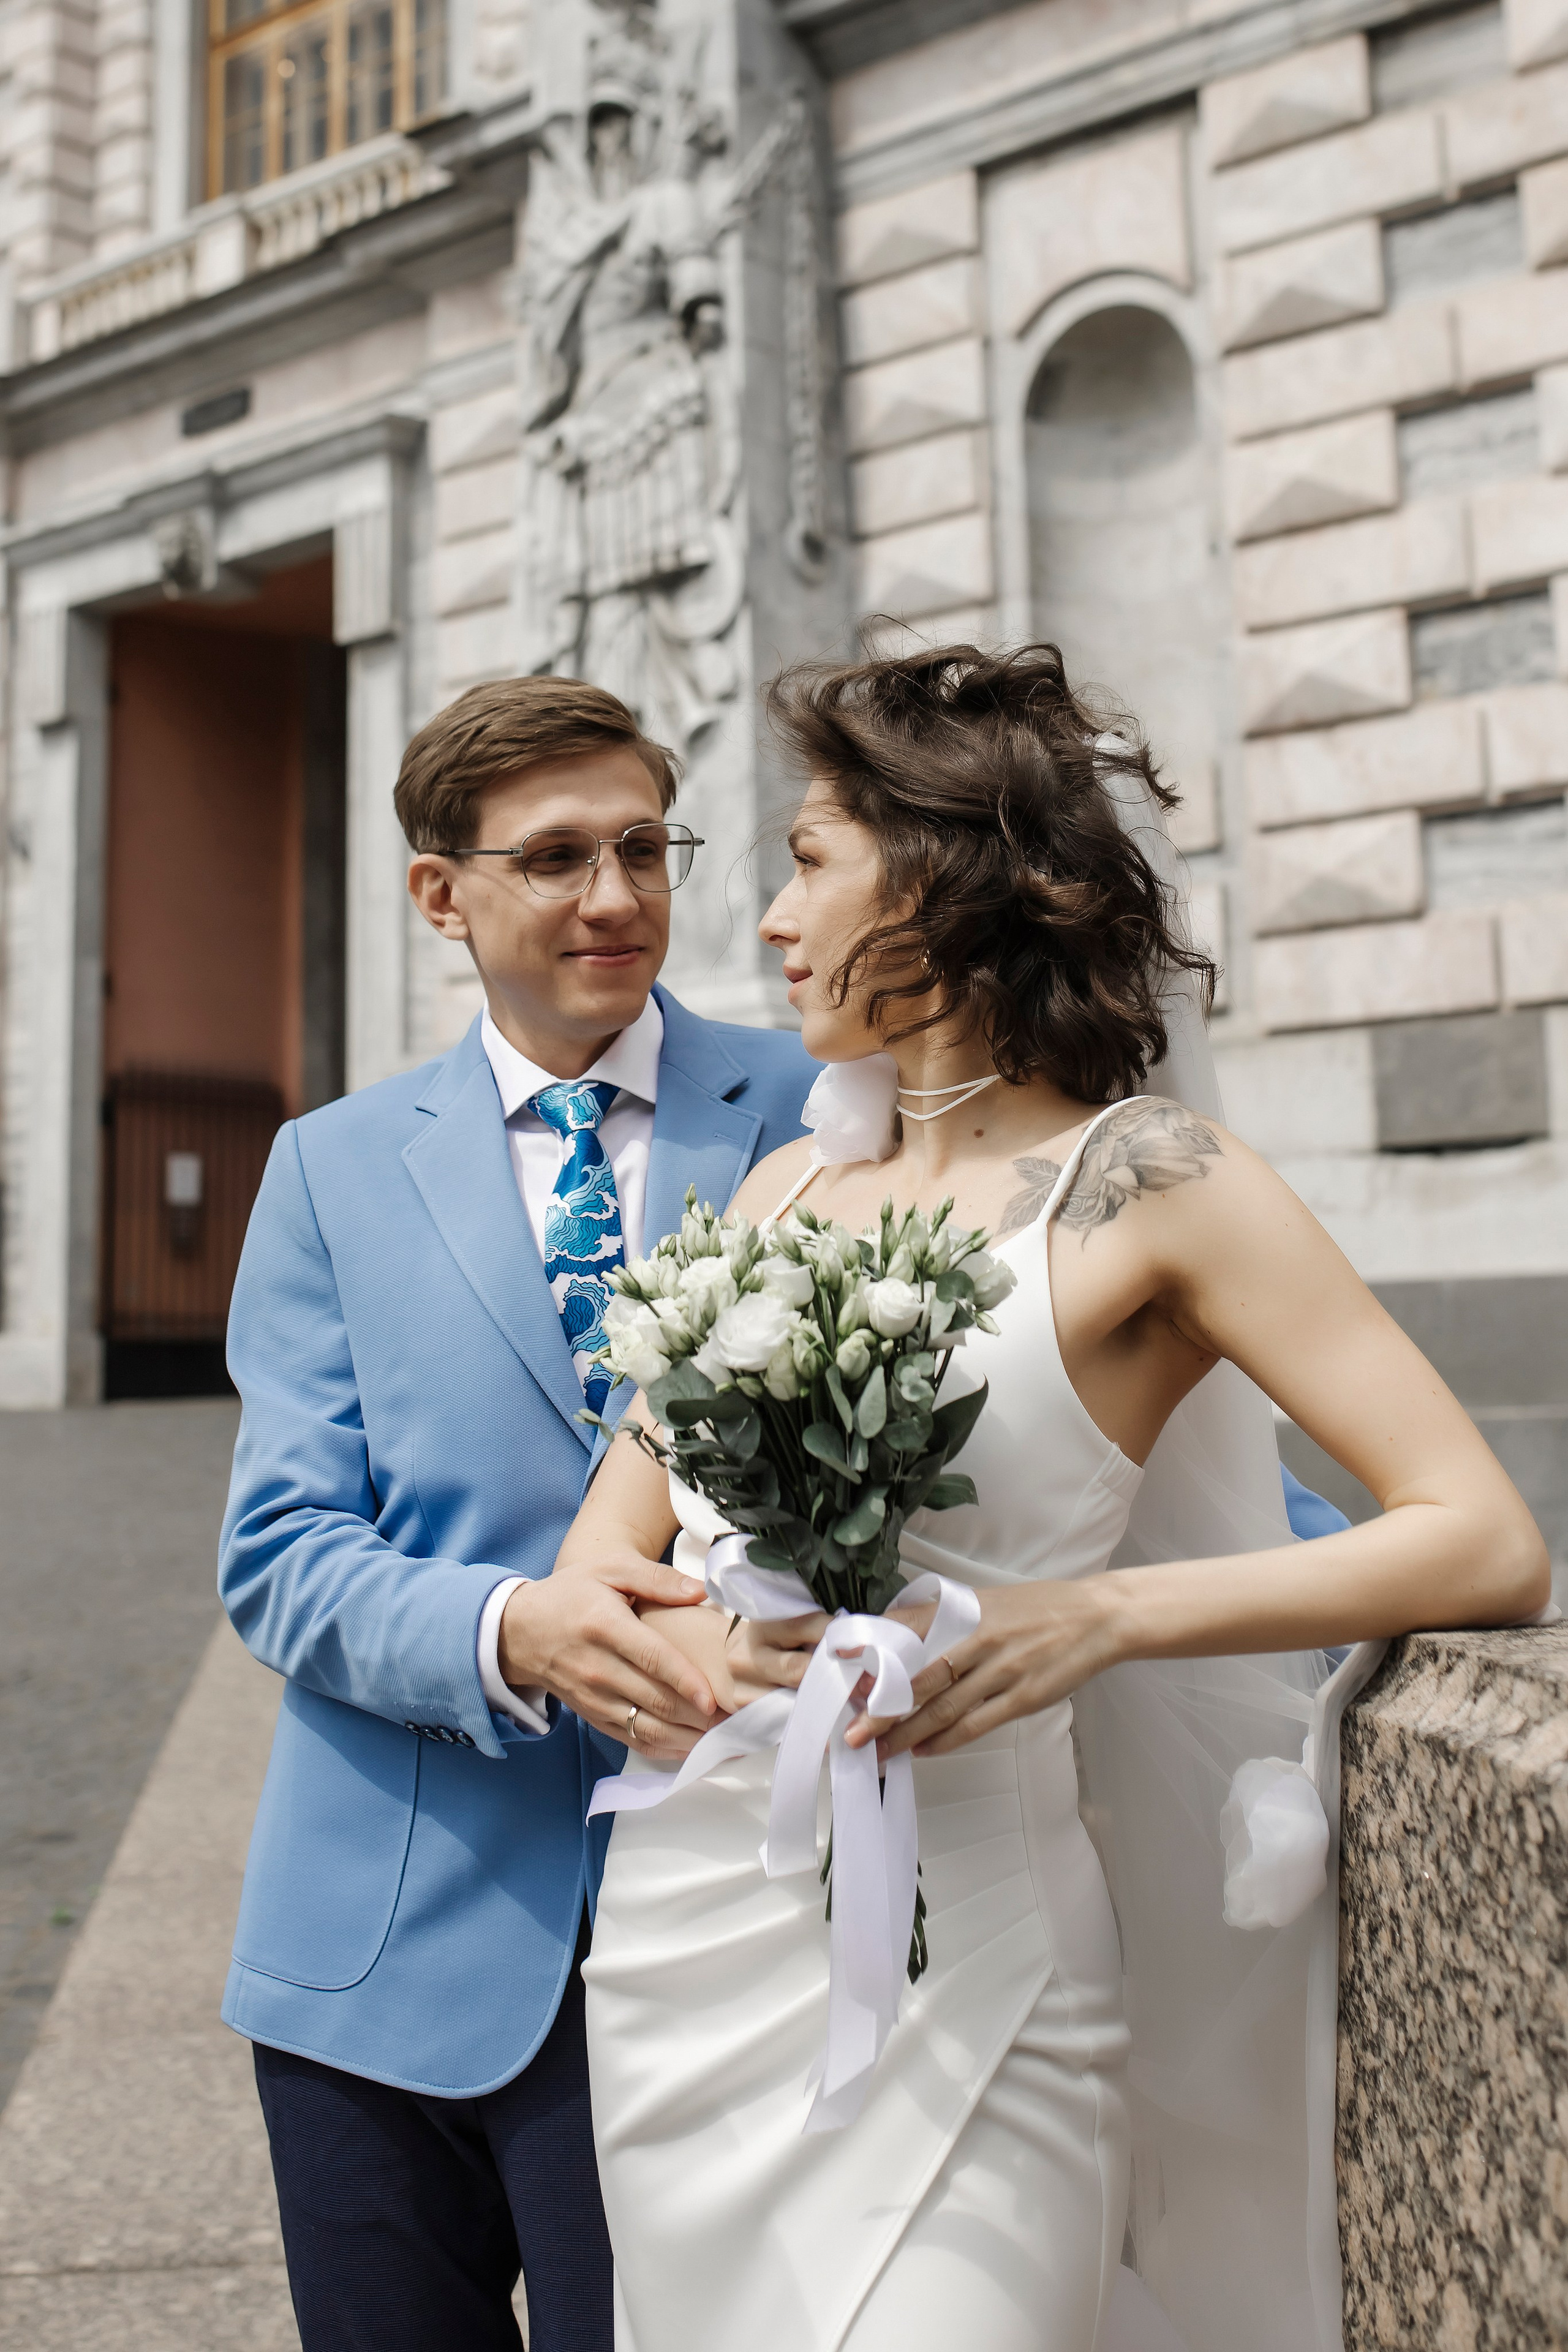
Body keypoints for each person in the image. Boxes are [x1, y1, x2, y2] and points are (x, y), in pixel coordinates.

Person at [559, 644, 1549, 2352]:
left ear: (944, 874)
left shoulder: (1153, 1184)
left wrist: (1098, 1617)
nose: (772, 926)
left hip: (988, 1968)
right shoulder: (790, 1188)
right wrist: (710, 1660)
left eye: (807, 863)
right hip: (691, 1957)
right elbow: (610, 1551)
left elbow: (1481, 1532)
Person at [216, 677, 816, 2352]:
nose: (615, 897)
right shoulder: (329, 1167)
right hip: (380, 1939)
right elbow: (280, 1556)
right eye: (556, 858)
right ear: (441, 893)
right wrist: (508, 1629)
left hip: (725, 1932)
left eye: (642, 847)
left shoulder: (818, 1109)